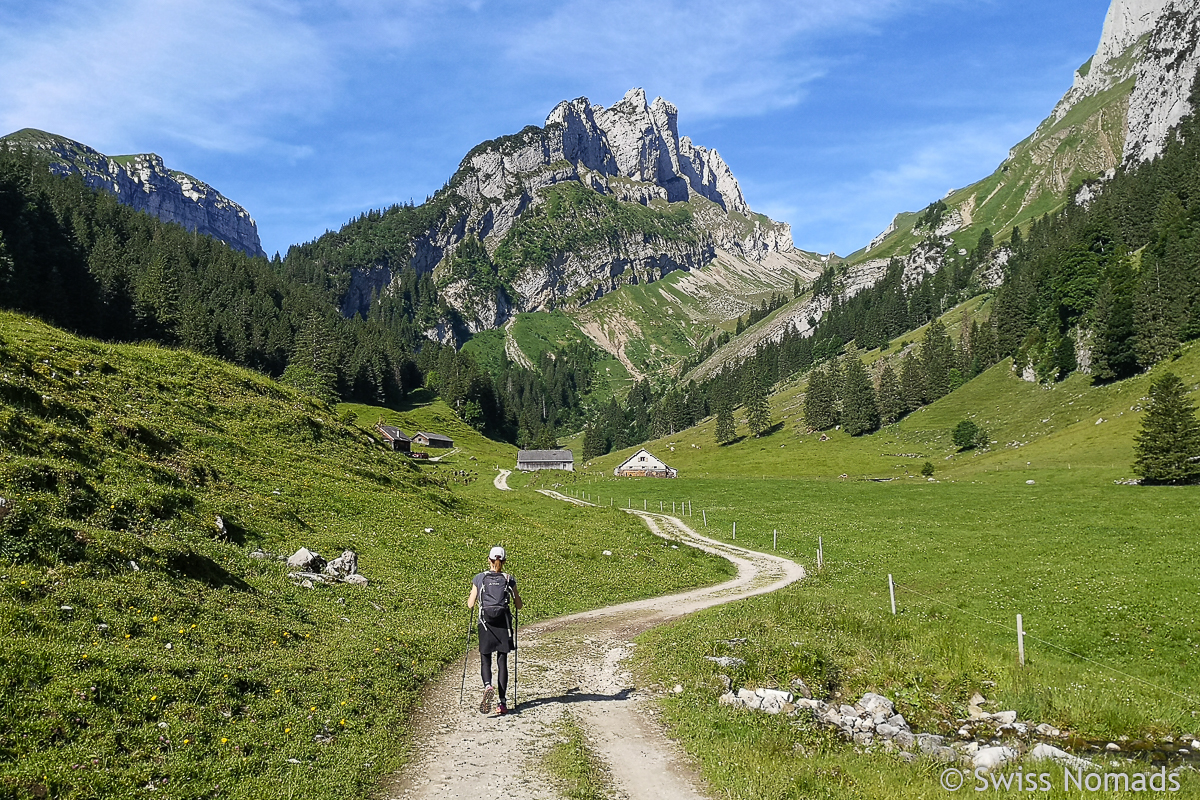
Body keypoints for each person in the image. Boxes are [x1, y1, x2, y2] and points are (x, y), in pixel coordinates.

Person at [467, 545, 522, 715]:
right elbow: (518, 605)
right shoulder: (508, 579)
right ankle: (502, 703)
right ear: (504, 562)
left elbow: (470, 604)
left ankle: (487, 686)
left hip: (485, 624)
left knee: (486, 659)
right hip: (503, 624)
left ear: (488, 560)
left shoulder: (479, 578)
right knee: (502, 661)